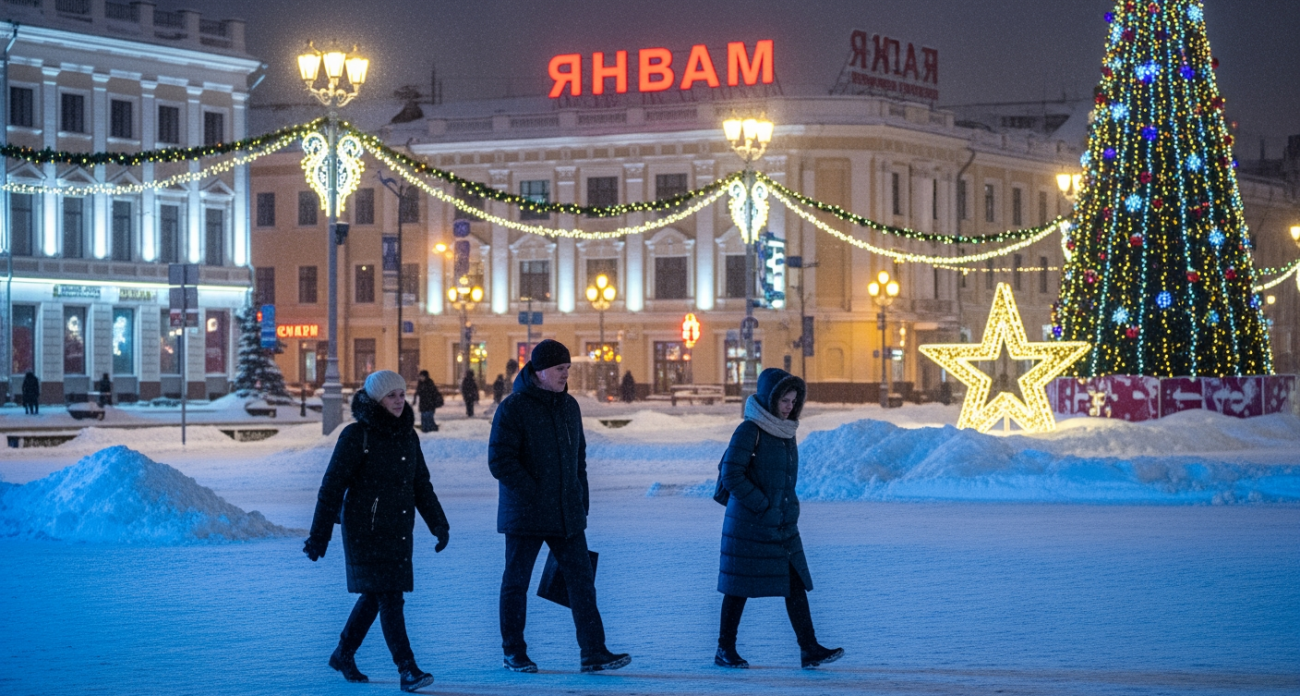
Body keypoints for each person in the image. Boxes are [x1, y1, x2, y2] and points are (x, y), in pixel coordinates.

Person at [488, 339, 631, 674]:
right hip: (525, 513)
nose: (565, 374)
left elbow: (578, 458)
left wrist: (581, 497)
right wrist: (534, 492)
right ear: (539, 371)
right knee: (516, 583)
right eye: (559, 369)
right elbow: (500, 461)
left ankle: (593, 652)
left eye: (567, 368)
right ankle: (514, 652)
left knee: (582, 581)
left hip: (566, 511)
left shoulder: (569, 406)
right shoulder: (514, 408)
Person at [304, 370, 450, 693]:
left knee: (376, 594)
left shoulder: (408, 436)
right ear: (375, 399)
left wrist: (439, 524)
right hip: (365, 531)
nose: (399, 401)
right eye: (390, 396)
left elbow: (421, 485)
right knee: (390, 596)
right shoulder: (357, 436)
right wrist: (319, 536)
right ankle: (407, 668)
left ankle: (343, 653)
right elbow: (331, 488)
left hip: (398, 529)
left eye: (401, 394)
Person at [714, 367, 843, 670]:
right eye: (784, 401)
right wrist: (762, 504)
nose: (789, 407)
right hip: (749, 524)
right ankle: (724, 648)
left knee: (794, 581)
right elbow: (731, 475)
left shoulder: (786, 431)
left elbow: (784, 479)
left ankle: (809, 648)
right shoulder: (750, 429)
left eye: (793, 401)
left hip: (781, 523)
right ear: (769, 399)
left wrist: (787, 507)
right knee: (739, 587)